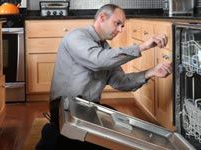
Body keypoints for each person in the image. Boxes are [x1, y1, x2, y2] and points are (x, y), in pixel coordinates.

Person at [36, 3, 172, 150]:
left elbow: (120, 82)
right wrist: (143, 46)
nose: (120, 30)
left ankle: (56, 135)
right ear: (101, 18)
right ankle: (51, 134)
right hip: (66, 109)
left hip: (86, 108)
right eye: (117, 23)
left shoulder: (105, 49)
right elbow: (98, 60)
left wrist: (151, 72)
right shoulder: (76, 37)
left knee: (119, 130)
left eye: (122, 26)